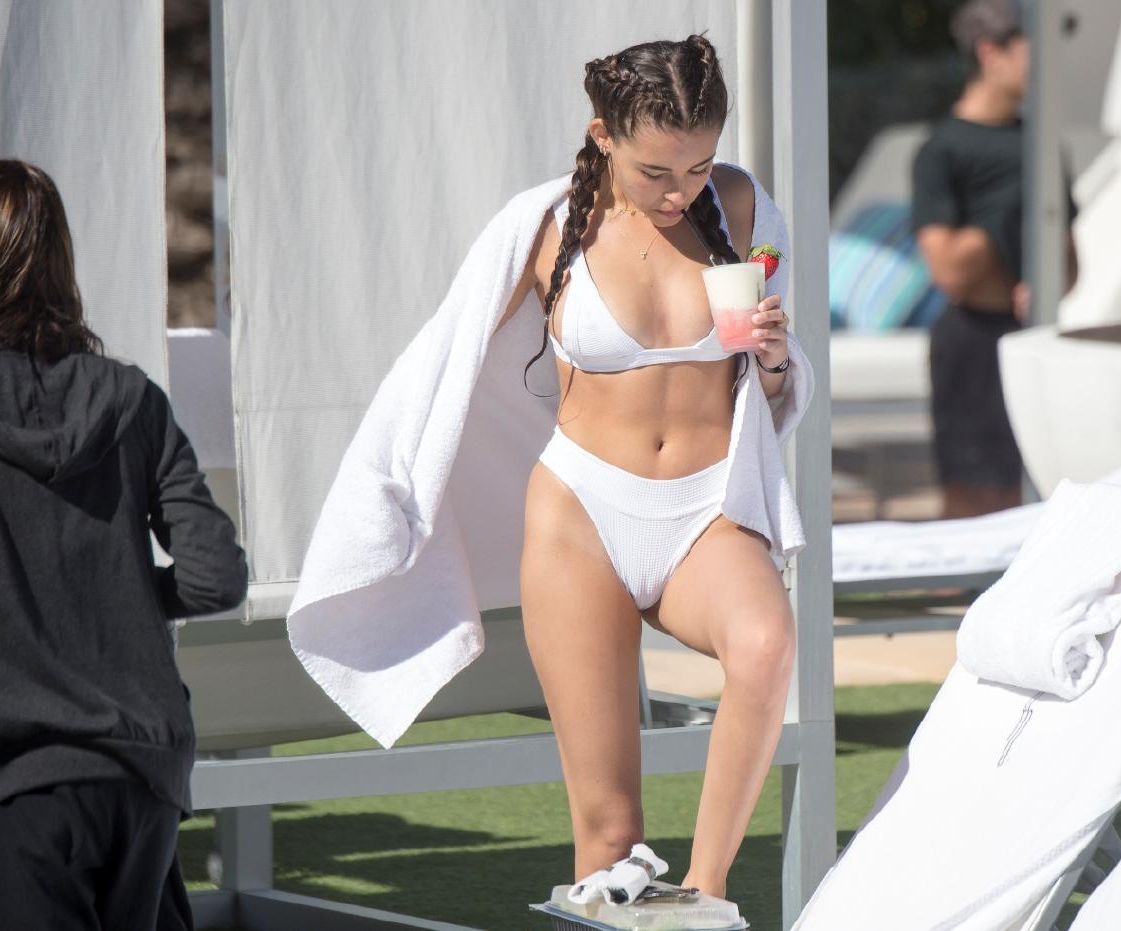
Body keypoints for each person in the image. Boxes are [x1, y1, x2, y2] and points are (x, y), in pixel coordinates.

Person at [287, 35, 811, 906]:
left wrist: (775, 357)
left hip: (708, 508)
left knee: (766, 645)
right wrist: (388, 496)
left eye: (698, 166)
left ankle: (704, 896)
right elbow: (443, 362)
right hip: (582, 516)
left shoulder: (744, 207)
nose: (680, 192)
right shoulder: (544, 228)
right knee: (607, 834)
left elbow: (777, 394)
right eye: (655, 171)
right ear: (603, 135)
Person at [0, 159, 248, 930]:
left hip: (10, 777)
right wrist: (113, 592)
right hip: (143, 768)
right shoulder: (130, 397)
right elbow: (216, 577)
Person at [912, 0, 1078, 518]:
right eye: (1033, 48)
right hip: (971, 345)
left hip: (1034, 337)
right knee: (973, 506)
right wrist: (1008, 200)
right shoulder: (942, 150)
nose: (1047, 64)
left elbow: (1072, 264)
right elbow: (950, 272)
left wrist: (1046, 285)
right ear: (992, 53)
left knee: (1044, 496)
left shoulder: (1042, 143)